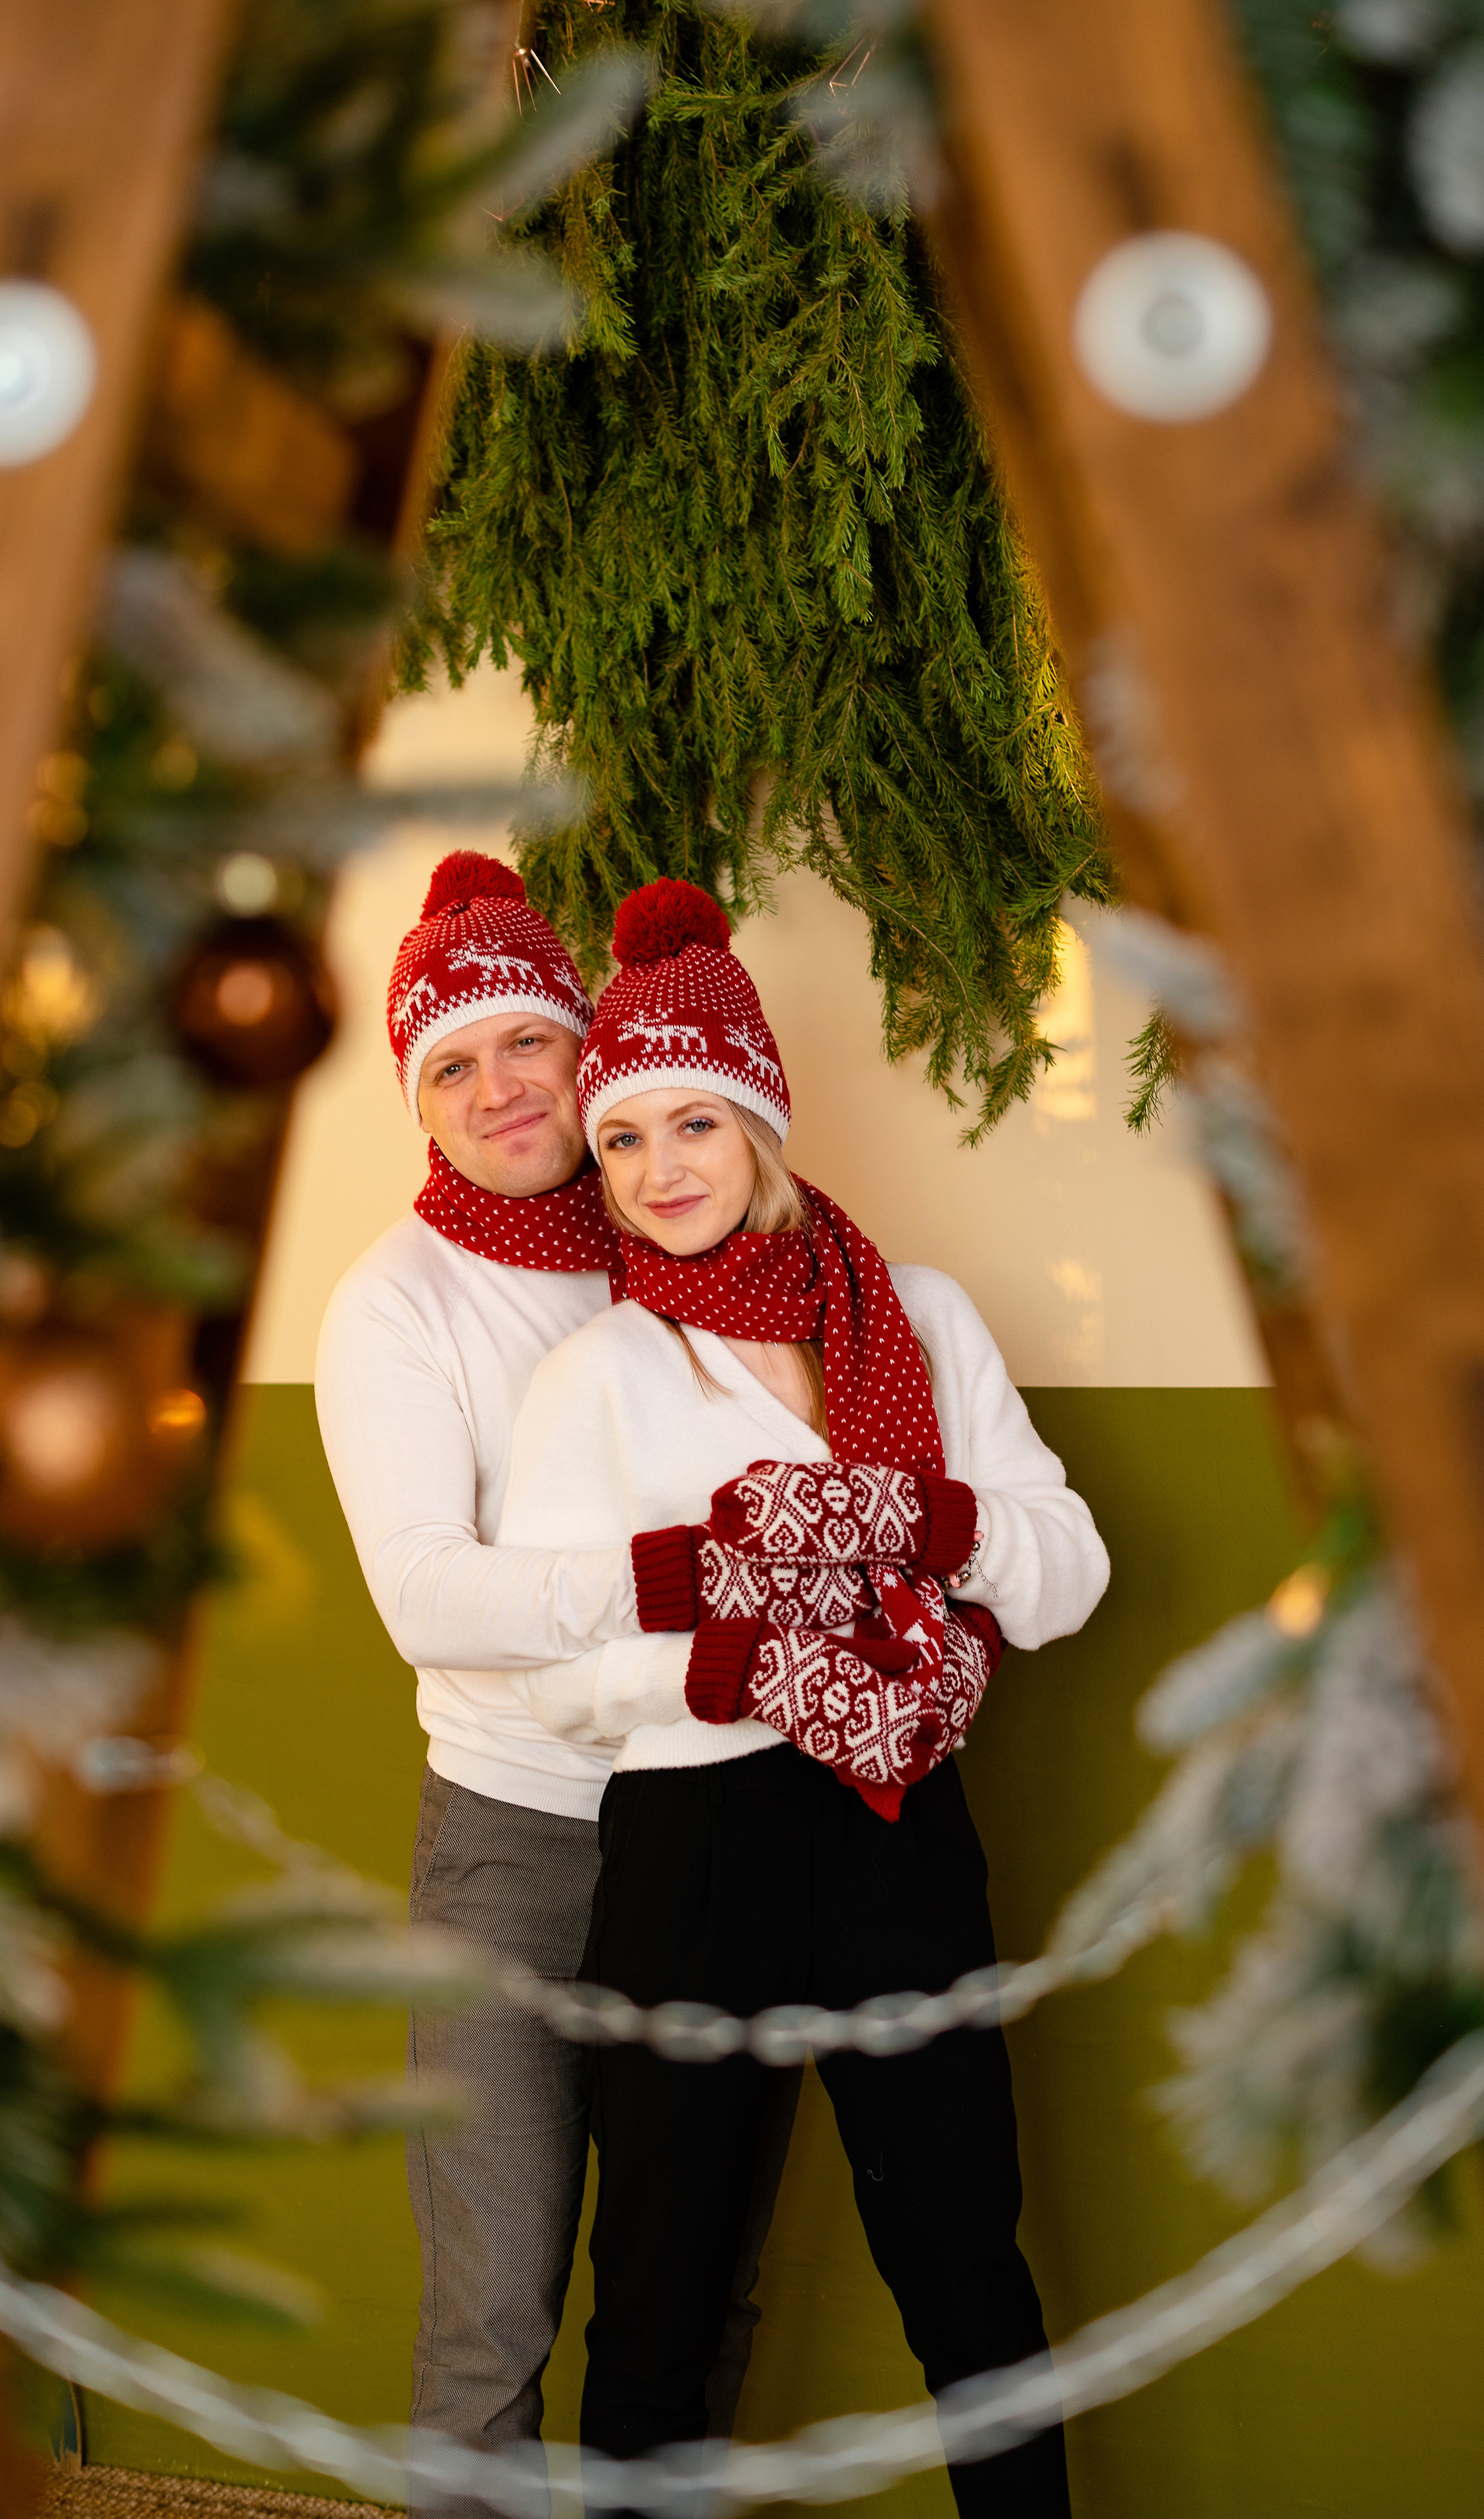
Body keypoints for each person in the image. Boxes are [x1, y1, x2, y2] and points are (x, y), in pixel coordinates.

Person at [495, 879, 1110, 2516]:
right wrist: (740, 1651)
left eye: (694, 1122)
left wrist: (928, 1521)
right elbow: (552, 1680)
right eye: (619, 1141)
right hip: (695, 1849)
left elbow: (1063, 1576)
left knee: (968, 2269)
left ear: (762, 1120)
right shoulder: (599, 1377)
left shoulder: (917, 1322)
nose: (658, 1169)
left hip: (901, 1832)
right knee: (657, 2303)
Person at [315, 851, 861, 2508]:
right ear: (421, 1101)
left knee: (688, 2298)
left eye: (524, 1047)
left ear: (584, 1046)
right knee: (491, 2311)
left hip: (719, 1824)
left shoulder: (683, 1234)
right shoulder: (397, 1303)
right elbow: (425, 1595)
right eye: (450, 1065)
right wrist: (678, 1583)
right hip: (514, 1847)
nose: (497, 1091)